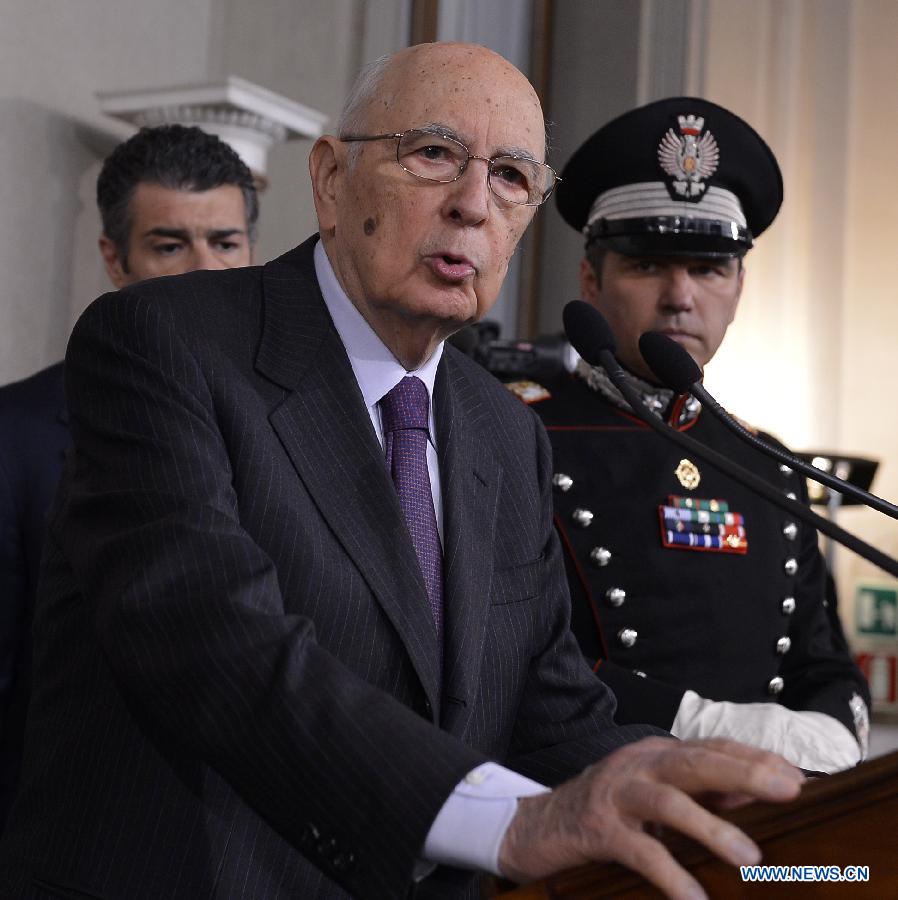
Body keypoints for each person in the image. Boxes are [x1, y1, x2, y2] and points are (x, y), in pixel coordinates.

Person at [0, 48, 804, 900]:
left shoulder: (504, 430)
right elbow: (215, 642)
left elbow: (552, 712)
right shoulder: (164, 343)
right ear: (330, 177)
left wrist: (779, 844)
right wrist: (508, 822)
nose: (470, 205)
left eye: (510, 178)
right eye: (432, 155)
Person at [505, 97, 869, 775]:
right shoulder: (519, 432)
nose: (680, 296)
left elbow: (824, 664)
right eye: (648, 266)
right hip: (593, 803)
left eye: (708, 270)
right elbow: (510, 656)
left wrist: (831, 738)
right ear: (592, 280)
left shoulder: (771, 464)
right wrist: (695, 724)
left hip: (778, 829)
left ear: (738, 287)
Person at [0, 123, 257, 830]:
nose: (204, 270)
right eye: (170, 245)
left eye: (225, 243)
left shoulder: (311, 429)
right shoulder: (17, 433)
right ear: (116, 259)